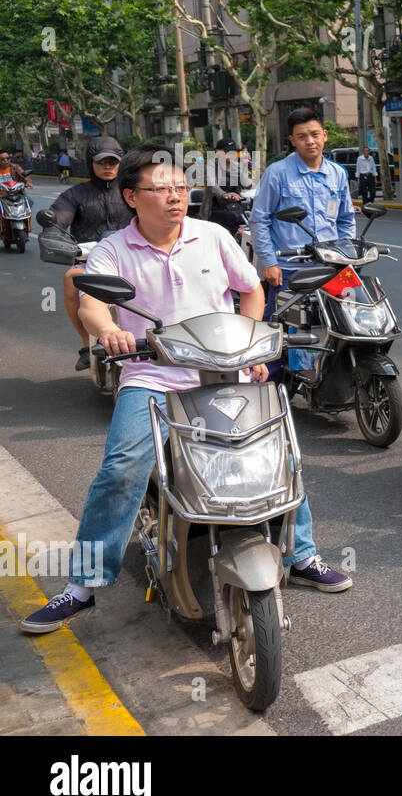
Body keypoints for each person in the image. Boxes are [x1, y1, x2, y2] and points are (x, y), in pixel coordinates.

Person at [19, 145, 350, 635]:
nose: (176, 197)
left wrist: (251, 341)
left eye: (181, 187)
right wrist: (106, 329)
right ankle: (83, 586)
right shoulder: (113, 249)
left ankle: (300, 554)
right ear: (132, 197)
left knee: (276, 451)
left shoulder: (213, 235)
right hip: (152, 374)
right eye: (162, 189)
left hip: (223, 370)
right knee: (122, 467)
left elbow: (251, 288)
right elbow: (91, 302)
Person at [250, 107, 354, 376]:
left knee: (356, 318)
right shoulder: (278, 173)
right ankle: (269, 393)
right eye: (302, 136)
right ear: (292, 140)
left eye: (315, 134)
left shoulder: (338, 174)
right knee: (276, 335)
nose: (310, 141)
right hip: (288, 269)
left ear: (325, 136)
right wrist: (269, 262)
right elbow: (259, 219)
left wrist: (348, 255)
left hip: (332, 268)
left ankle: (337, 375)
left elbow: (345, 219)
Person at [48, 136, 133, 371]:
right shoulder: (75, 194)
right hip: (90, 262)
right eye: (102, 162)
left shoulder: (134, 191)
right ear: (90, 163)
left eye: (113, 162)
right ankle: (87, 344)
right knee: (70, 279)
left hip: (135, 258)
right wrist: (54, 235)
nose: (108, 166)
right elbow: (57, 221)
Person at [199, 138, 245, 236]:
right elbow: (212, 184)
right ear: (217, 152)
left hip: (236, 207)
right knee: (230, 218)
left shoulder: (238, 167)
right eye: (227, 151)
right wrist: (224, 194)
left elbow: (248, 184)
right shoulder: (210, 166)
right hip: (214, 210)